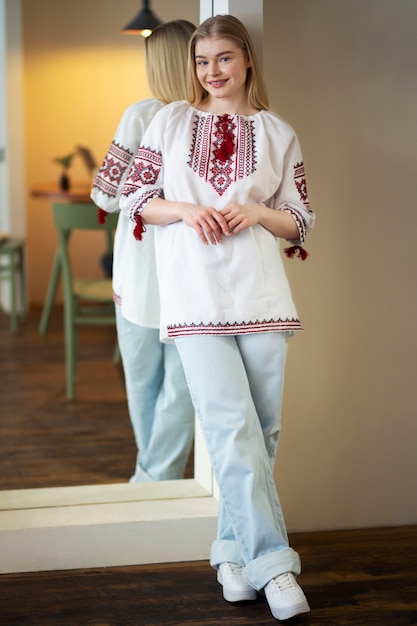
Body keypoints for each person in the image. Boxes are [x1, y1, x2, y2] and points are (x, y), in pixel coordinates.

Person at [120, 14, 316, 621]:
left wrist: (257, 213)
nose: (213, 71)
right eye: (203, 62)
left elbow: (301, 219)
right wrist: (183, 208)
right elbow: (135, 198)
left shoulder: (278, 132)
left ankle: (232, 553)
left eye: (224, 58)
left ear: (247, 60)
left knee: (264, 431)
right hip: (193, 299)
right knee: (232, 430)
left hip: (261, 297)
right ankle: (277, 566)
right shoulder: (169, 121)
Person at [91, 20, 196, 483]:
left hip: (140, 276)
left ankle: (150, 481)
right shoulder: (212, 116)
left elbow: (104, 196)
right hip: (193, 274)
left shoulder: (141, 114)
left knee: (145, 385)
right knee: (182, 389)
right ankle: (157, 480)